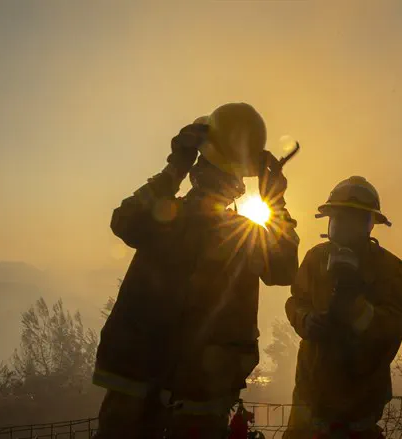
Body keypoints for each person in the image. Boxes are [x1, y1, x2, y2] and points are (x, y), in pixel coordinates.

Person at [92, 103, 300, 438]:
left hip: (139, 383)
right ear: (239, 181)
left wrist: (172, 169)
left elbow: (124, 218)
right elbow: (285, 267)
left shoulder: (164, 217)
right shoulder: (245, 236)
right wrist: (276, 201)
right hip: (199, 393)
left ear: (197, 166)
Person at [284, 176, 402, 439]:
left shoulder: (390, 270)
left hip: (359, 409)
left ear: (370, 224)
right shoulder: (316, 258)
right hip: (309, 401)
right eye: (339, 218)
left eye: (353, 220)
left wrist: (354, 304)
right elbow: (296, 301)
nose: (344, 227)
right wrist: (306, 319)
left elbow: (390, 331)